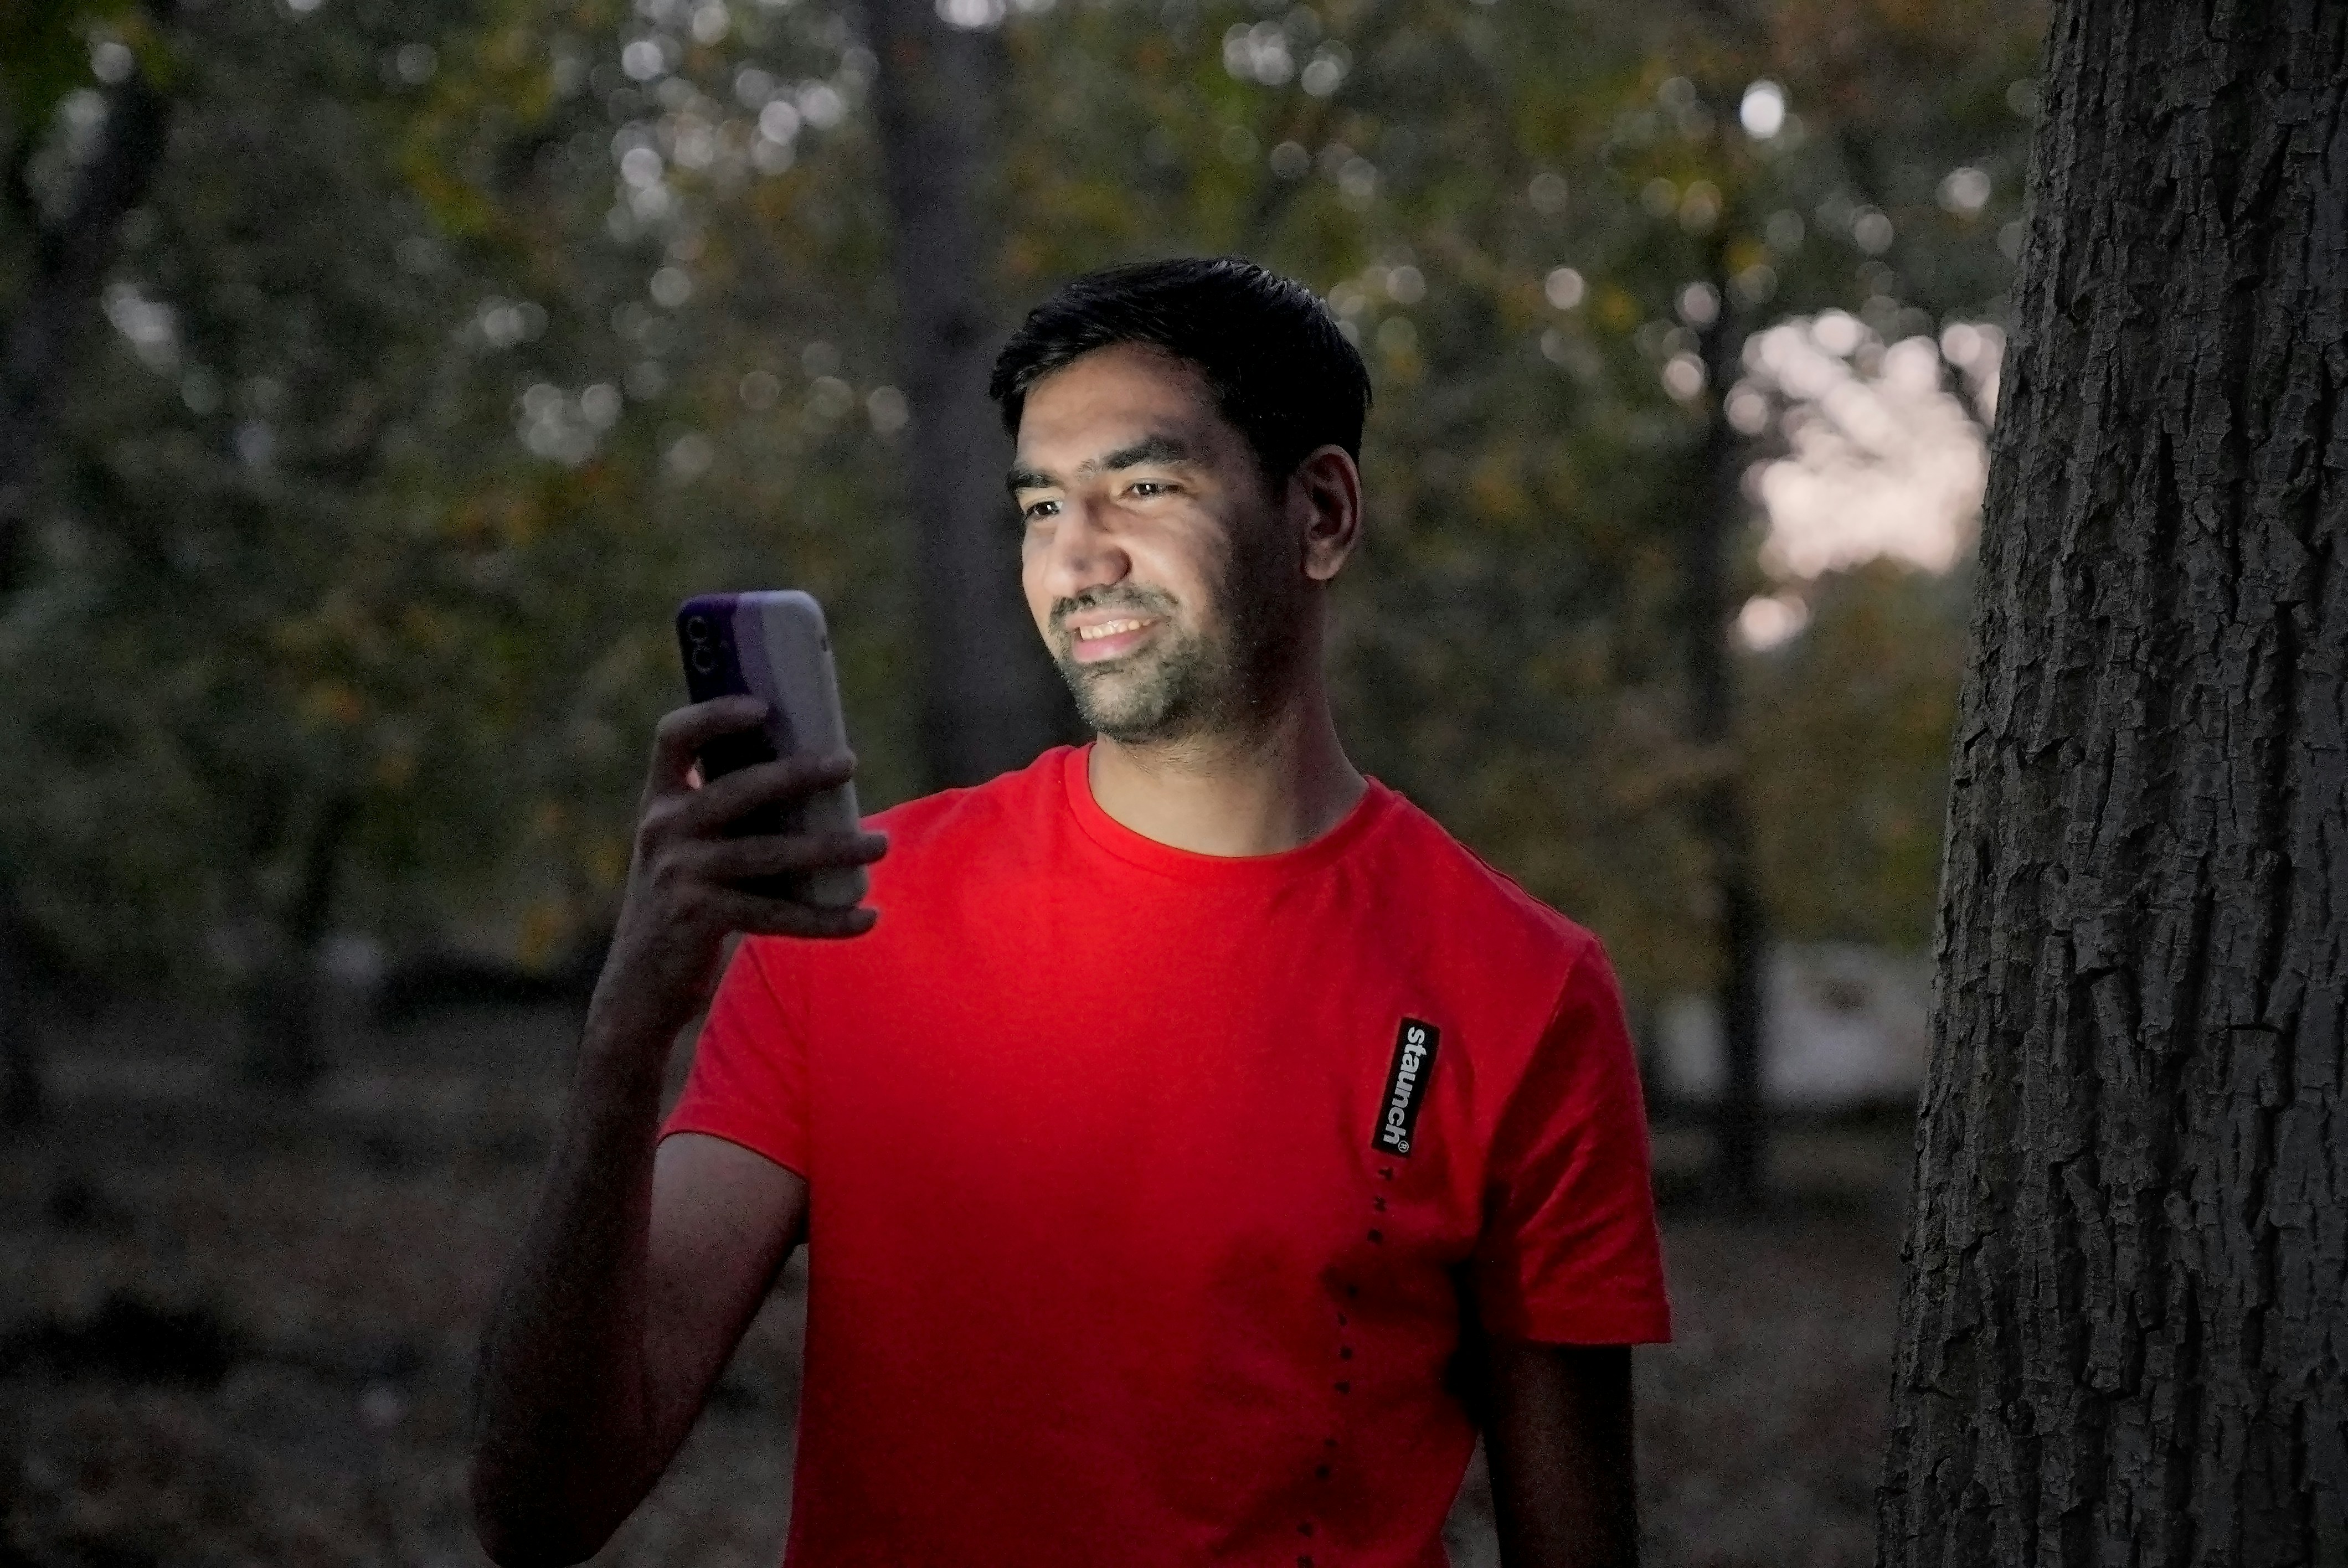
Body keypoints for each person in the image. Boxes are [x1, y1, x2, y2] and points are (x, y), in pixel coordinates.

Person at [469, 256, 1670, 1568]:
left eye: (1144, 486)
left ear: (1318, 513)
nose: (1078, 556)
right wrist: (621, 1046)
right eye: (1042, 504)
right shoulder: (851, 924)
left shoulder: (1522, 986)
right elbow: (541, 1511)